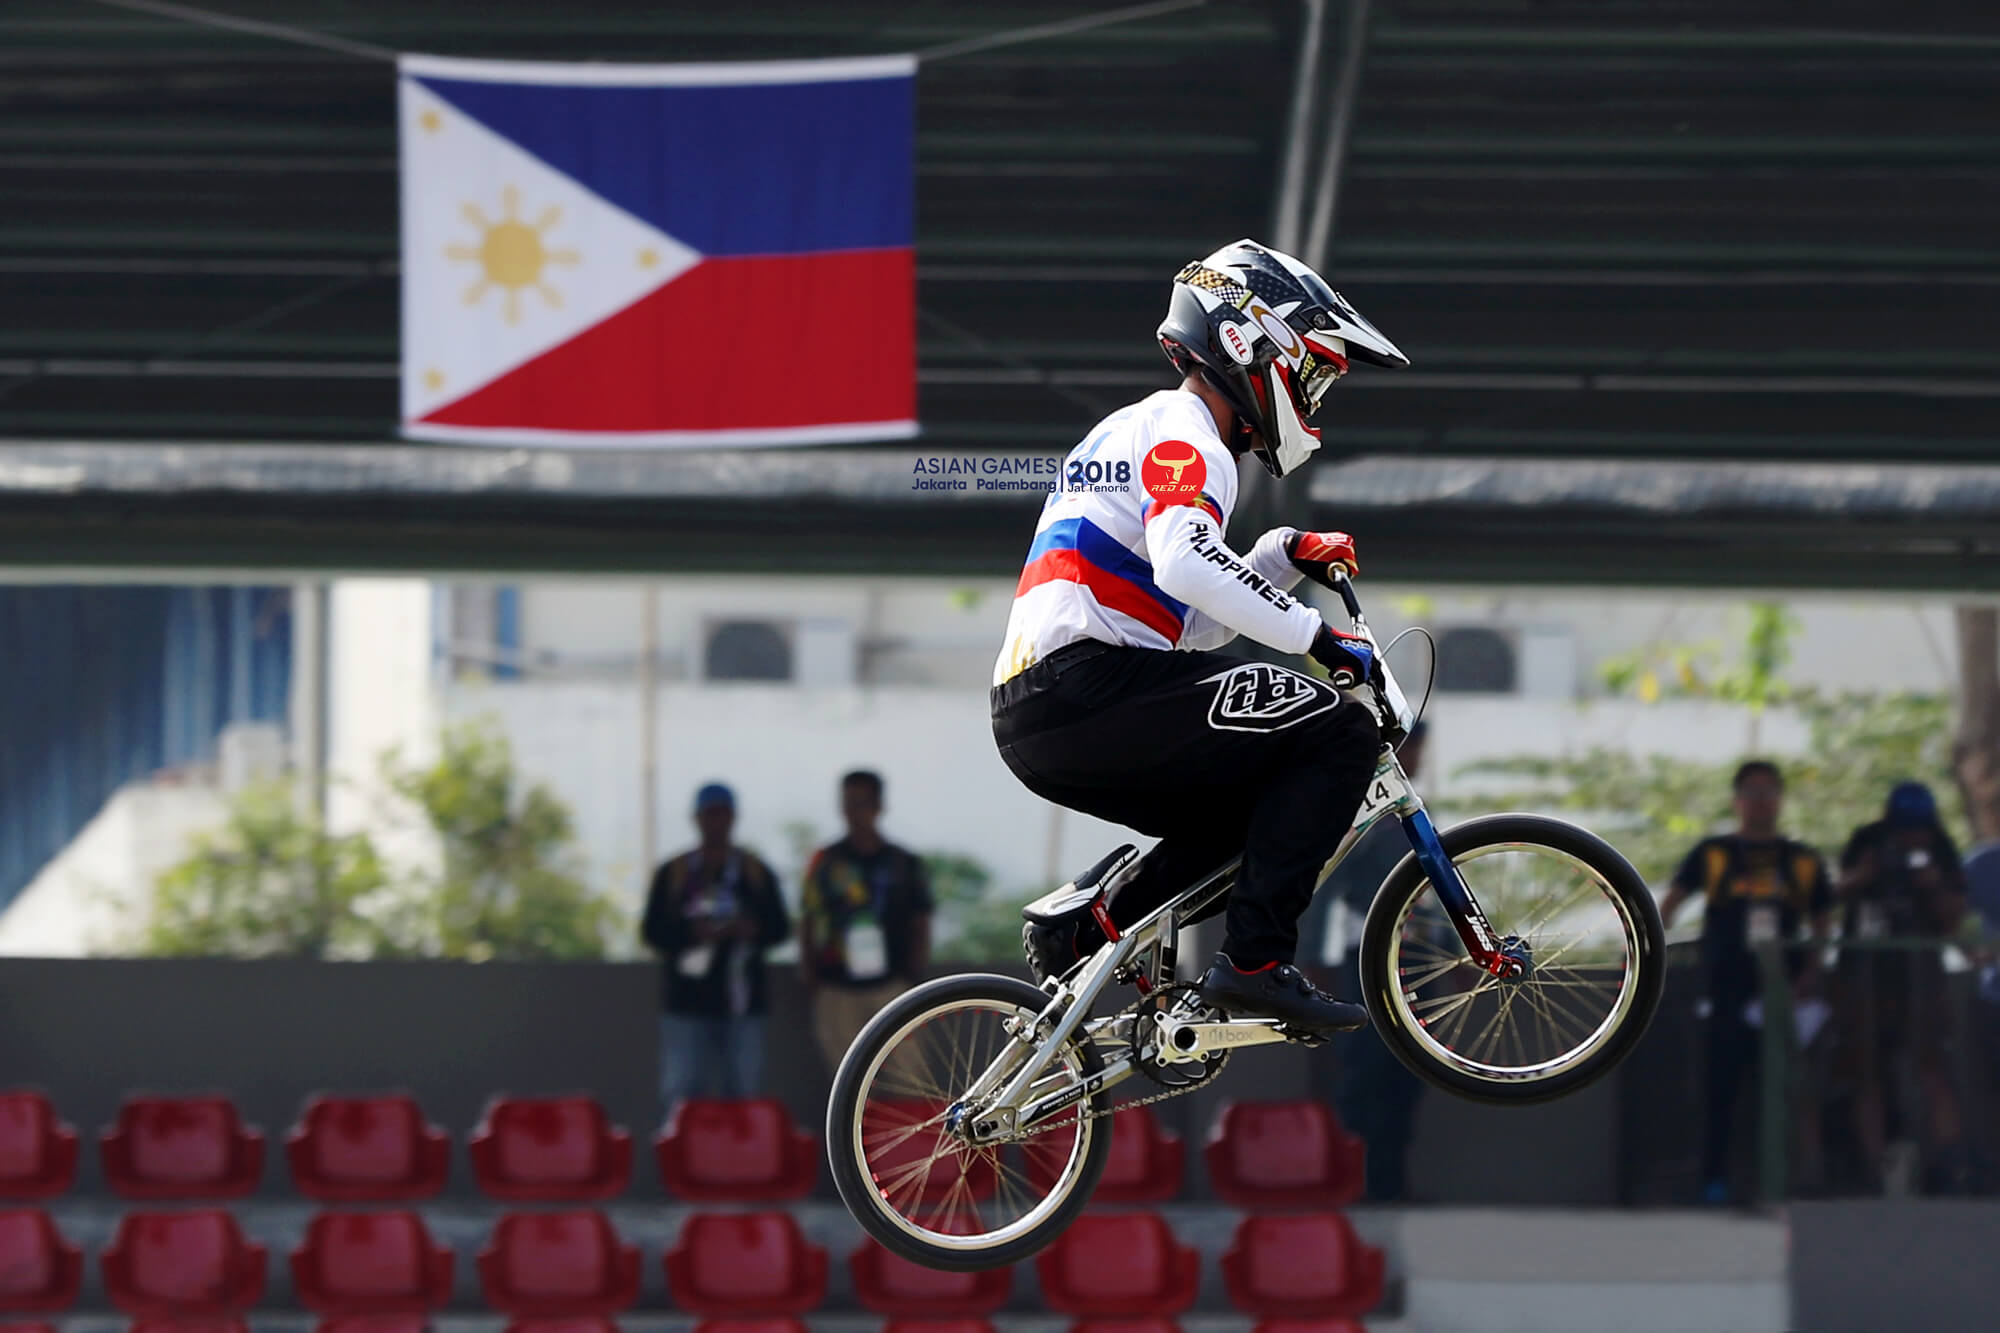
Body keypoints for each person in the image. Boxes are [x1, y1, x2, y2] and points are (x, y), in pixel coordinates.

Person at [990, 238, 1409, 1033]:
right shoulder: (1187, 436)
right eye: (1311, 375)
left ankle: (1088, 928)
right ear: (1253, 346)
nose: (1313, 402)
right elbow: (1187, 563)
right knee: (1338, 734)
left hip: (1053, 705)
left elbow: (1193, 616)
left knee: (1254, 807)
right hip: (1084, 688)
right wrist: (1319, 639)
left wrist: (1280, 556)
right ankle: (1252, 964)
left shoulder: (1150, 429)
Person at [1659, 760, 1831, 1205]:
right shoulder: (1714, 853)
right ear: (1737, 801)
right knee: (1722, 1089)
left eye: (1770, 791)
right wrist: (1642, 952)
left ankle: (1797, 1181)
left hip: (1785, 995)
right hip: (1725, 990)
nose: (1761, 802)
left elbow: (1823, 920)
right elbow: (1669, 905)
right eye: (1753, 793)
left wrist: (1812, 971)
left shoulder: (1802, 860)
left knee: (1793, 1087)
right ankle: (1714, 1180)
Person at [1832, 780, 1968, 1193]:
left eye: (1918, 831)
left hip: (1921, 975)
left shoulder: (1941, 847)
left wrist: (1933, 884)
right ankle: (1873, 1170)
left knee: (1932, 1068)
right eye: (1904, 831)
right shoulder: (1867, 840)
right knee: (1865, 1071)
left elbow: (1953, 921)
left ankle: (1947, 1169)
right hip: (1867, 975)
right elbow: (1833, 893)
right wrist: (1865, 874)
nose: (1911, 840)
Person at [1321, 720, 1429, 1200]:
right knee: (1364, 1070)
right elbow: (1326, 895)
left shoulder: (1411, 818)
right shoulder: (1358, 816)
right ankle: (1359, 1182)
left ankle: (1392, 1180)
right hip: (1365, 958)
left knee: (1408, 1072)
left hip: (1414, 960)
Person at [641, 782, 791, 1109]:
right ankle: (682, 1159)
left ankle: (743, 1160)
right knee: (681, 1091)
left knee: (744, 1090)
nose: (716, 822)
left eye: (722, 814)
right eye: (710, 815)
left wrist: (750, 930)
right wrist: (693, 933)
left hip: (742, 1003)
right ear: (696, 818)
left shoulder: (754, 871)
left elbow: (780, 928)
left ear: (733, 818)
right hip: (685, 1004)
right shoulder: (675, 872)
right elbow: (652, 932)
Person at [801, 770, 934, 1071]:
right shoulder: (826, 862)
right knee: (848, 1080)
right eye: (848, 803)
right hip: (837, 988)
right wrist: (812, 977)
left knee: (910, 1078)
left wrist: (913, 974)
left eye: (861, 803)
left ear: (878, 806)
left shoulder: (904, 863)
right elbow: (807, 919)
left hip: (892, 986)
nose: (854, 812)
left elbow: (921, 919)